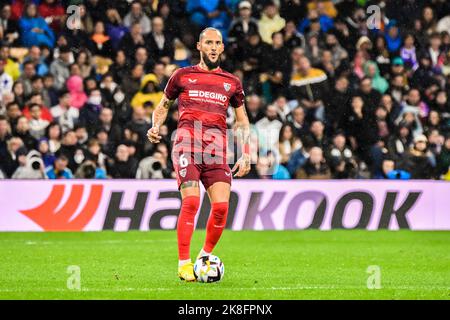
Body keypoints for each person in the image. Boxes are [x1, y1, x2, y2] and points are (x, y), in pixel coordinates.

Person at [147, 28, 250, 282]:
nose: (213, 47)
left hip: (216, 151)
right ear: (199, 46)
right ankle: (184, 263)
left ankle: (204, 256)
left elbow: (242, 120)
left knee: (222, 208)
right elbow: (163, 106)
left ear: (222, 48)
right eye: (209, 43)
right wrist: (155, 125)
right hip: (186, 144)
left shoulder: (232, 83)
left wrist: (246, 153)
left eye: (217, 43)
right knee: (192, 202)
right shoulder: (182, 76)